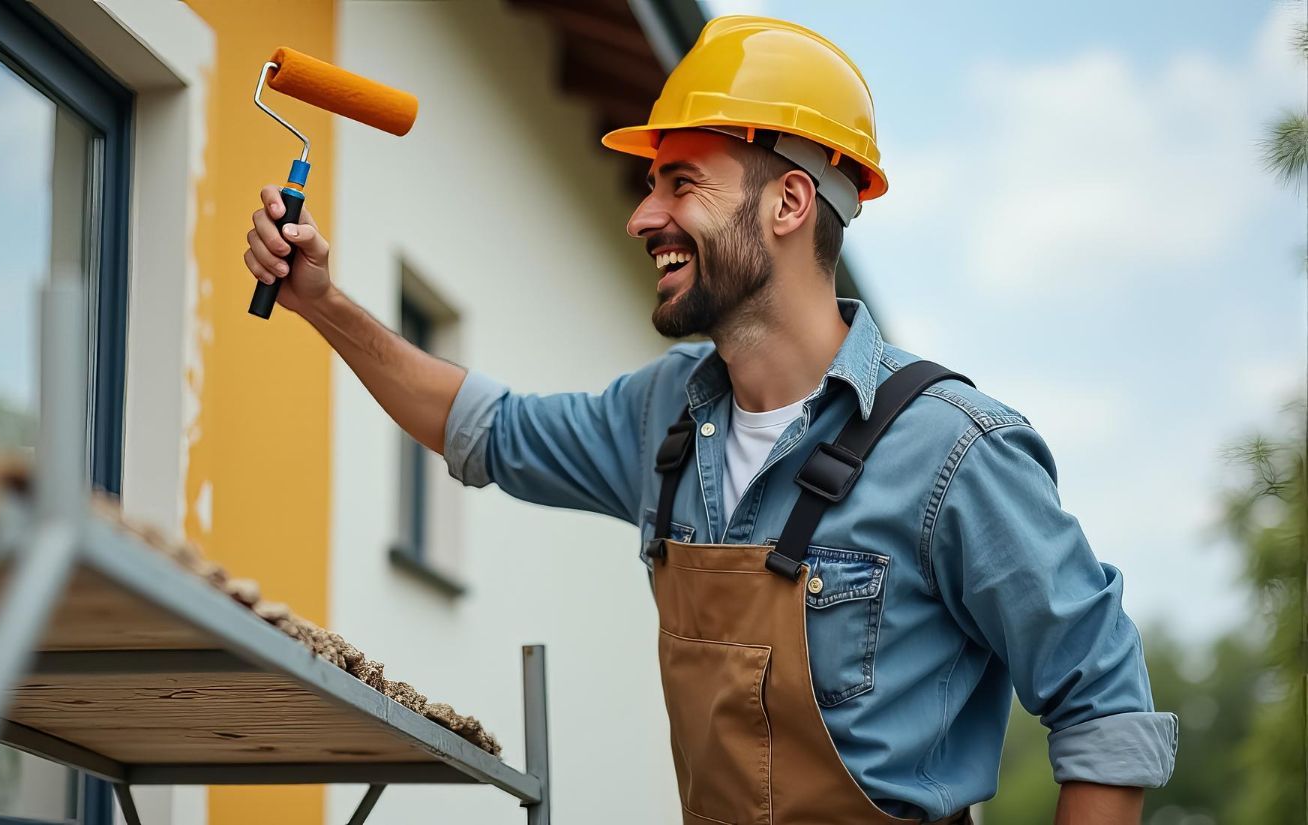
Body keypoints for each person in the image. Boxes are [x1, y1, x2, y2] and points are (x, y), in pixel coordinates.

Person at [241, 15, 1176, 825]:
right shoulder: (665, 414)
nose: (643, 215)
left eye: (681, 182)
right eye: (652, 185)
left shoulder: (951, 450)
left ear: (789, 201)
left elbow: (1105, 709)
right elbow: (482, 427)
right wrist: (322, 301)